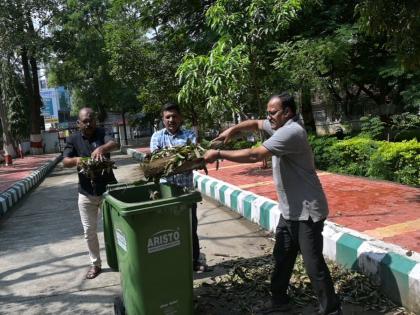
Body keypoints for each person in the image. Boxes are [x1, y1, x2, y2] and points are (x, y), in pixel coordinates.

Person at [204, 93, 341, 315]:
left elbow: (254, 155)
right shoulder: (279, 125)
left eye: (273, 112)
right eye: (268, 112)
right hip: (289, 211)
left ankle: (332, 310)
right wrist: (233, 130)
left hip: (307, 212)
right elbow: (257, 123)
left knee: (313, 265)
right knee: (282, 258)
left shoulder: (291, 132)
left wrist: (219, 154)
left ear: (288, 112)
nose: (269, 117)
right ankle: (279, 301)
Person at [150, 102, 208, 272]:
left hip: (186, 192)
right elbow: (156, 165)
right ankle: (171, 261)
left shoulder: (189, 135)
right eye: (167, 117)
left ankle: (195, 259)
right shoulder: (157, 137)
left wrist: (172, 163)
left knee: (190, 227)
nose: (171, 120)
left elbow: (197, 160)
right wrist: (184, 162)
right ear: (163, 119)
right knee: (166, 229)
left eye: (174, 116)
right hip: (165, 192)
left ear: (180, 118)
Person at [62, 107, 118, 279]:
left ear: (95, 120)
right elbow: (65, 161)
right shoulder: (73, 139)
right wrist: (77, 160)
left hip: (108, 191)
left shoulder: (102, 133)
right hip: (86, 193)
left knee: (116, 229)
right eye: (85, 121)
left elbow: (115, 144)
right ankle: (95, 264)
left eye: (91, 119)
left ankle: (120, 259)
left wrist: (102, 149)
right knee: (89, 232)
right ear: (78, 123)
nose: (88, 123)